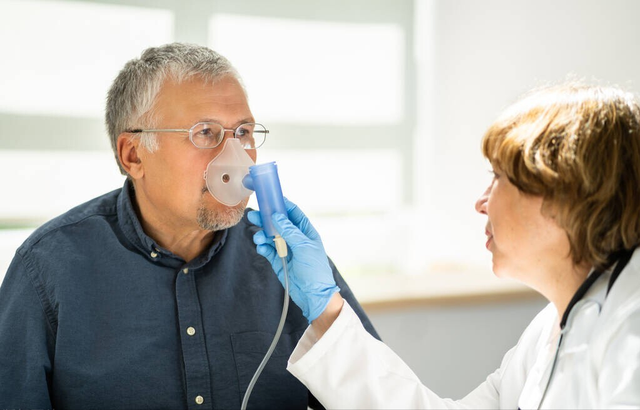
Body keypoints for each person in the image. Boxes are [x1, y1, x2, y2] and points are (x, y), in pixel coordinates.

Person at [0, 43, 379, 409]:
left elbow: (376, 398)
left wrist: (328, 311)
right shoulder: (47, 270)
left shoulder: (286, 257)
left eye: (244, 132)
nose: (236, 158)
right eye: (205, 133)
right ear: (134, 155)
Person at [249, 83, 640, 408]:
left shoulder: (630, 325)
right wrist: (326, 307)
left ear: (564, 193)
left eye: (498, 178)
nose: (481, 202)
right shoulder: (550, 328)